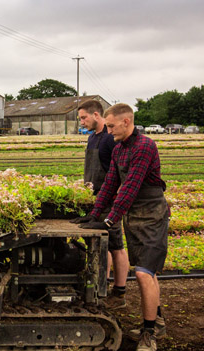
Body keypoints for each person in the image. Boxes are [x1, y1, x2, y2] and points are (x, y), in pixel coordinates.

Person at [76, 103, 170, 351]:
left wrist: (109, 220)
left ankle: (149, 334)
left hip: (151, 213)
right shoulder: (119, 148)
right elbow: (111, 184)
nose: (108, 130)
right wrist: (95, 214)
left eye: (112, 126)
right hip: (134, 216)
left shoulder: (145, 147)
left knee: (142, 273)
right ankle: (157, 320)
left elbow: (130, 187)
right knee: (145, 270)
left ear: (127, 122)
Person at [74, 99, 129, 309]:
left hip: (109, 201)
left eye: (84, 117)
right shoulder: (93, 139)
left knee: (115, 245)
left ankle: (119, 291)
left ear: (97, 115)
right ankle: (101, 286)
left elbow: (115, 174)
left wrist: (112, 201)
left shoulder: (108, 139)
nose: (82, 122)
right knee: (101, 245)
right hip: (94, 198)